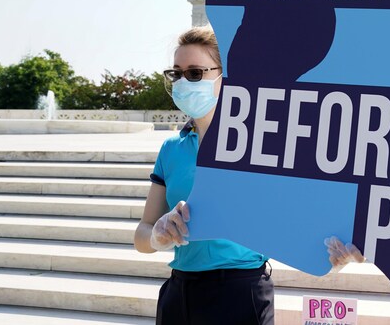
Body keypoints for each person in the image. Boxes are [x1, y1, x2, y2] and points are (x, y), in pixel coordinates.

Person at [134, 27, 361, 325]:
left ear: (224, 77)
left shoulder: (261, 146)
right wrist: (156, 235)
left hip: (240, 293)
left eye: (195, 73)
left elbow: (301, 220)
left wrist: (335, 253)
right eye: (176, 73)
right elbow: (142, 234)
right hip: (179, 295)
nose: (183, 82)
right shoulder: (171, 149)